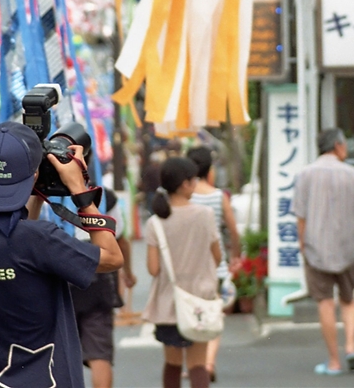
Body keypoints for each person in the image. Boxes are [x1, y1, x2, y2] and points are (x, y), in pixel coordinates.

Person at [0, 121, 123, 388]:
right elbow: (111, 257)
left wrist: (34, 190)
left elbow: (12, 239)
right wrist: (79, 191)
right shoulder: (38, 239)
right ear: (34, 175)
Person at [293, 128, 354, 376]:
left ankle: (334, 362)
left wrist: (302, 243)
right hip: (348, 248)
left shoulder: (305, 174)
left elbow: (300, 216)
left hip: (316, 248)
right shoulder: (352, 174)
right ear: (337, 145)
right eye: (345, 144)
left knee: (325, 303)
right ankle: (351, 348)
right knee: (348, 300)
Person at [143, 157, 222, 388]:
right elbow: (217, 257)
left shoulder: (156, 222)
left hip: (169, 302)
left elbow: (153, 269)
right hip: (199, 299)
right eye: (194, 180)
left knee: (173, 364)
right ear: (185, 184)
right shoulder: (205, 215)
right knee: (198, 365)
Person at [72, 186, 137, 388]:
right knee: (99, 352)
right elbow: (120, 240)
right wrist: (127, 272)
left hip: (58, 271)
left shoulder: (44, 192)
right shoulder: (104, 196)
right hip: (97, 270)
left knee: (58, 351)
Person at [187, 146, 241, 383]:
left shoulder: (184, 196)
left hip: (189, 264)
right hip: (215, 264)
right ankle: (208, 363)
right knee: (214, 315)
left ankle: (194, 364)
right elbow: (233, 231)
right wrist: (236, 255)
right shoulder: (219, 196)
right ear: (210, 170)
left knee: (192, 314)